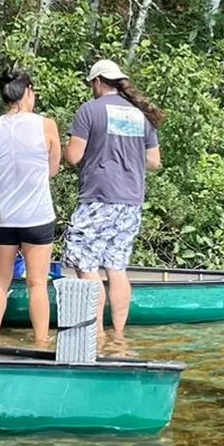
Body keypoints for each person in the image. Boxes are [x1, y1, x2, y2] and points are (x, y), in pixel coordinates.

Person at [63, 58, 164, 338]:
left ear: (97, 82)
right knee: (117, 267)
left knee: (86, 263)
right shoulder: (139, 113)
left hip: (99, 197)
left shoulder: (90, 110)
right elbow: (154, 161)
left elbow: (73, 156)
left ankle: (94, 334)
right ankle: (118, 335)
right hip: (131, 200)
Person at [0, 67, 61, 346]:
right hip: (36, 214)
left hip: (1, 214)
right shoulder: (46, 125)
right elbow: (53, 169)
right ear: (28, 90)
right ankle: (41, 341)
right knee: (37, 283)